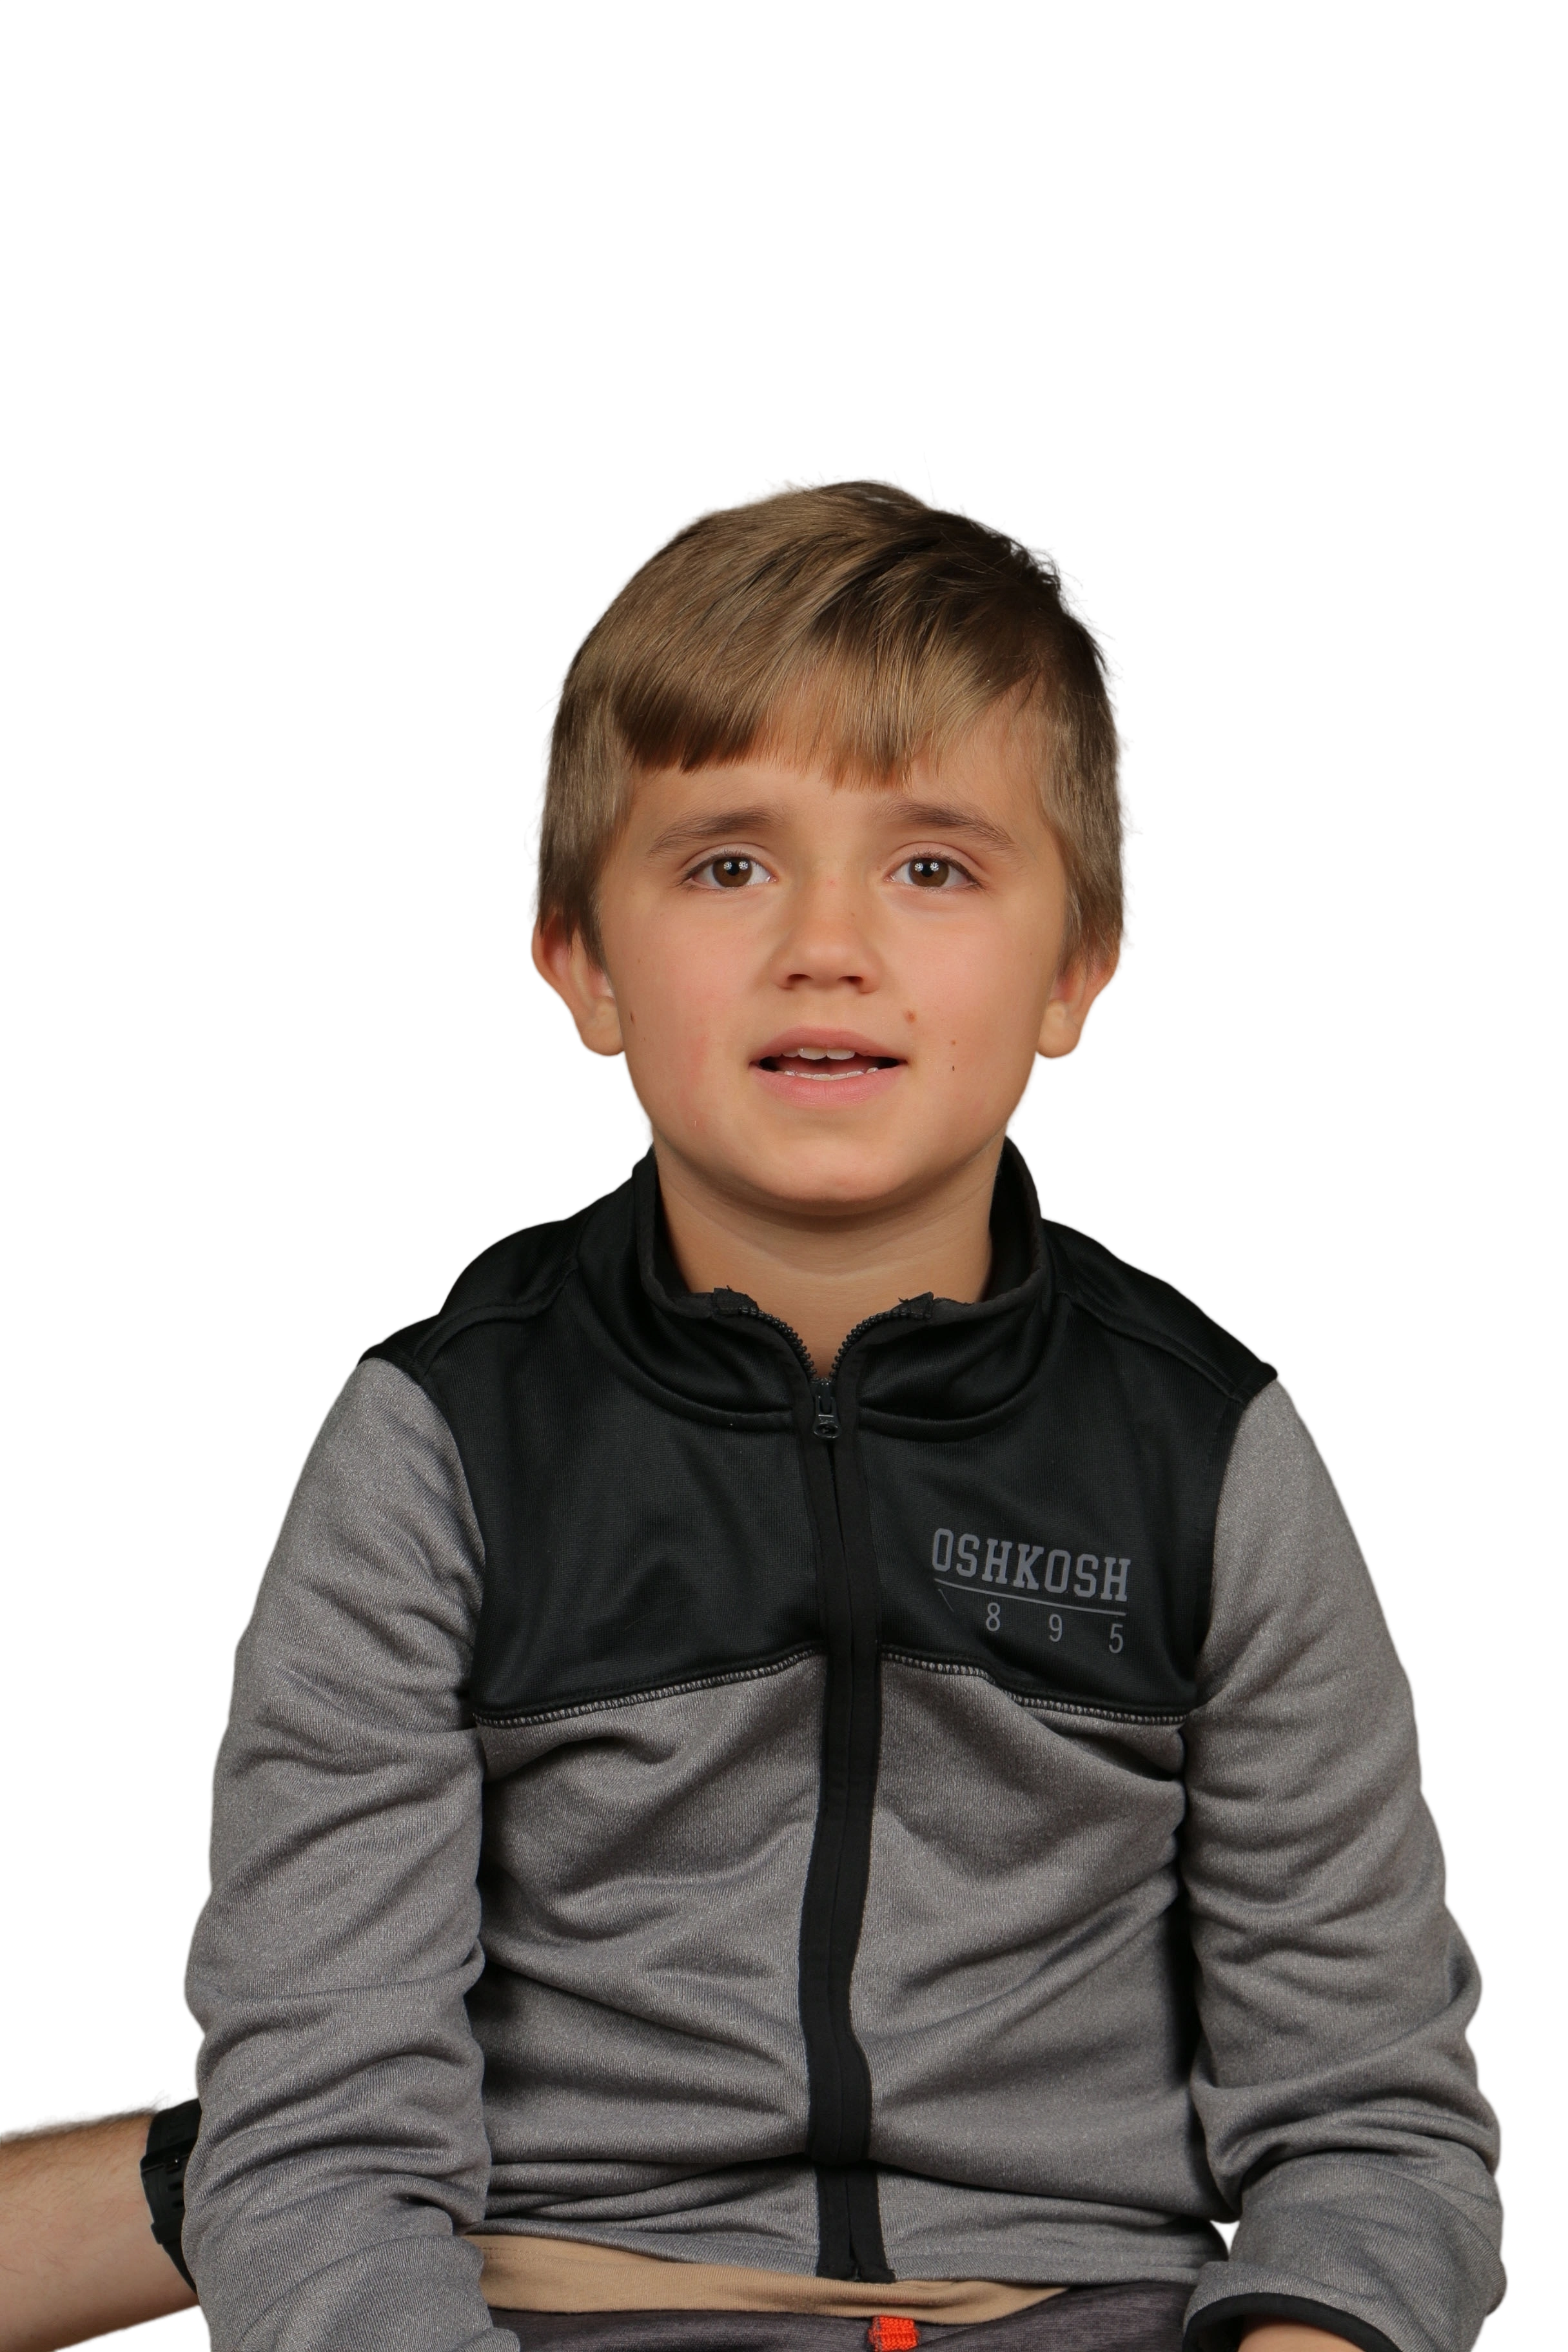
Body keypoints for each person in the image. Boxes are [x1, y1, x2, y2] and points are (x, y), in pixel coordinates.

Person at [7, 472, 1507, 2352]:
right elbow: (323, 2136)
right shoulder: (437, 1445)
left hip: (1091, 2304)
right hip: (563, 2299)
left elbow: (1371, 2119)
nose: (827, 945)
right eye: (728, 864)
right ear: (579, 957)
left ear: (1077, 967)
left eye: (934, 866)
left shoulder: (1211, 1452)